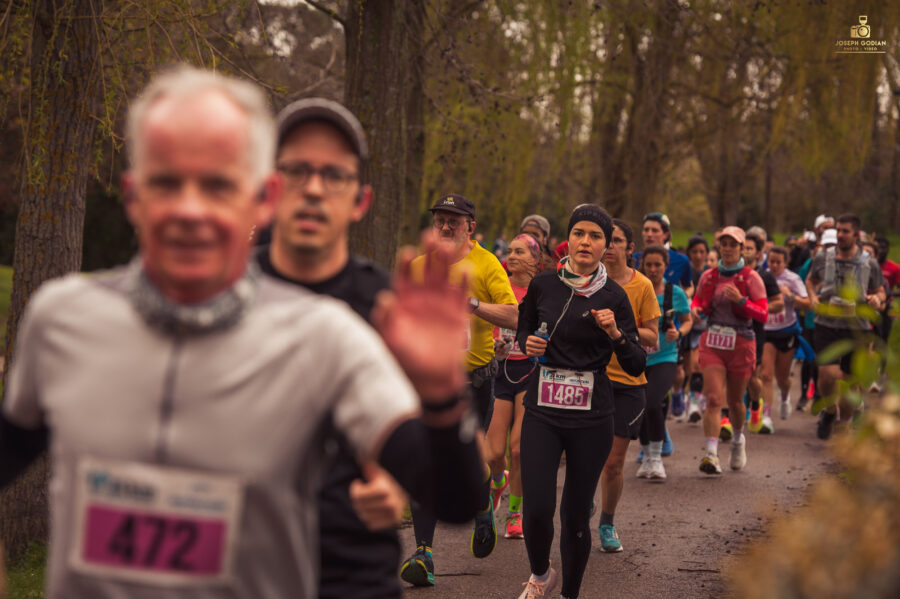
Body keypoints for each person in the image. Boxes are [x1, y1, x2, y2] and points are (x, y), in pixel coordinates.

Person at [0, 67, 486, 599]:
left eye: (218, 184)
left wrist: (441, 396)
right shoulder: (63, 318)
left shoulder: (324, 335)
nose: (190, 208)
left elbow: (458, 499)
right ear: (133, 195)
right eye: (167, 181)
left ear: (260, 199)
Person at [257, 97, 467, 599]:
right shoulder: (219, 298)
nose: (312, 187)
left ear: (360, 200)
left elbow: (458, 499)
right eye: (296, 170)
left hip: (352, 575)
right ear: (270, 189)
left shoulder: (385, 307)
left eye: (333, 174)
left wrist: (441, 395)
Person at [516, 204, 645, 599]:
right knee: (536, 510)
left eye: (595, 236)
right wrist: (528, 343)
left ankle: (570, 593)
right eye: (579, 233)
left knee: (574, 516)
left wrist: (616, 334)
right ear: (567, 240)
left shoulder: (615, 296)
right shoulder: (544, 286)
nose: (585, 241)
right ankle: (540, 576)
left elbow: (637, 361)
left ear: (606, 245)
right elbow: (523, 331)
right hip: (544, 409)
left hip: (591, 416)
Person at [402, 194, 519, 586]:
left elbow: (514, 315)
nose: (446, 226)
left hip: (476, 382)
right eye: (440, 219)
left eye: (454, 220)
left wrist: (472, 304)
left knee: (473, 457)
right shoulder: (419, 266)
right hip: (429, 382)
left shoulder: (487, 264)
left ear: (470, 224)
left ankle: (483, 504)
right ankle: (423, 553)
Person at [597, 219, 660, 552]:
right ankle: (582, 502)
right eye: (606, 240)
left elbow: (653, 335)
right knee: (587, 456)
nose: (609, 246)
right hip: (592, 378)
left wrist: (621, 333)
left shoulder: (643, 286)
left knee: (613, 462)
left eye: (616, 240)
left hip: (628, 381)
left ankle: (607, 521)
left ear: (629, 248)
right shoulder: (587, 281)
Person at [692, 226, 768, 475]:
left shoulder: (751, 278)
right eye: (723, 243)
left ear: (742, 247)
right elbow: (699, 301)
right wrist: (696, 310)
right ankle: (711, 455)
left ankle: (737, 440)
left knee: (736, 402)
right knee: (713, 398)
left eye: (733, 244)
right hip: (713, 340)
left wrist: (742, 301)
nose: (727, 248)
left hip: (742, 341)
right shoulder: (709, 276)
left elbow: (763, 314)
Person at [805, 214, 885, 439]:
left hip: (856, 327)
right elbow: (811, 280)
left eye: (845, 231)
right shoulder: (823, 256)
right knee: (828, 374)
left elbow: (880, 291)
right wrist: (812, 297)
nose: (840, 235)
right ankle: (830, 411)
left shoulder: (869, 262)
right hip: (826, 324)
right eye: (838, 230)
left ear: (856, 235)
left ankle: (843, 424)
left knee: (851, 381)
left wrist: (877, 300)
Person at [485, 234, 542, 541]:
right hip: (499, 371)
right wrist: (491, 342)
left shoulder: (543, 289)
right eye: (510, 251)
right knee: (494, 453)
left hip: (529, 371)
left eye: (520, 252)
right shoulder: (499, 284)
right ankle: (498, 482)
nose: (513, 256)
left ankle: (515, 513)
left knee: (519, 448)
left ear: (535, 259)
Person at [636, 244, 692, 483]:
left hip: (665, 356)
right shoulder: (636, 289)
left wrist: (678, 334)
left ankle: (657, 457)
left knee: (651, 402)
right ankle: (647, 456)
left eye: (657, 264)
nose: (652, 269)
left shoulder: (674, 293)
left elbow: (687, 320)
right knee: (641, 406)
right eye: (648, 264)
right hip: (637, 357)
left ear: (665, 267)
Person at [760, 246, 811, 420]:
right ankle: (766, 415)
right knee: (766, 374)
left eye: (778, 262)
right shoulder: (763, 276)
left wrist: (790, 296)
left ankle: (784, 396)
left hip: (786, 331)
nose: (774, 265)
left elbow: (807, 303)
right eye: (771, 261)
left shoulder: (792, 279)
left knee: (782, 379)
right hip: (767, 331)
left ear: (786, 263)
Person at [743, 230, 784, 434]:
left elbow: (779, 304)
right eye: (742, 247)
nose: (744, 251)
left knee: (752, 378)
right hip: (731, 332)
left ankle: (756, 405)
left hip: (754, 332)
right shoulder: (729, 273)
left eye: (749, 248)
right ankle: (726, 416)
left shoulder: (764, 276)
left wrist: (755, 306)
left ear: (759, 253)